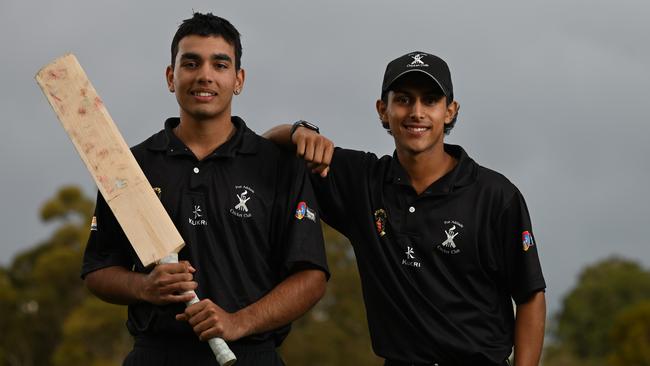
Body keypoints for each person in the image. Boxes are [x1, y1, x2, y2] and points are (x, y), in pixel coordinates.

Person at [264, 51, 546, 366]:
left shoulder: (496, 196)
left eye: (430, 100)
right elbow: (262, 151)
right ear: (383, 110)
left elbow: (530, 296)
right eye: (403, 99)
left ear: (450, 111)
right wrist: (298, 131)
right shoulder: (361, 181)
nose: (416, 112)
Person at [81, 13, 329, 366]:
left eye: (220, 64)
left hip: (250, 353)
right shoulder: (129, 166)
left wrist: (238, 322)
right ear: (171, 76)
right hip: (157, 353)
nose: (205, 76)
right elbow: (97, 269)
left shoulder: (277, 164)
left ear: (238, 79)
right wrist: (144, 287)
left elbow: (312, 277)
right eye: (191, 63)